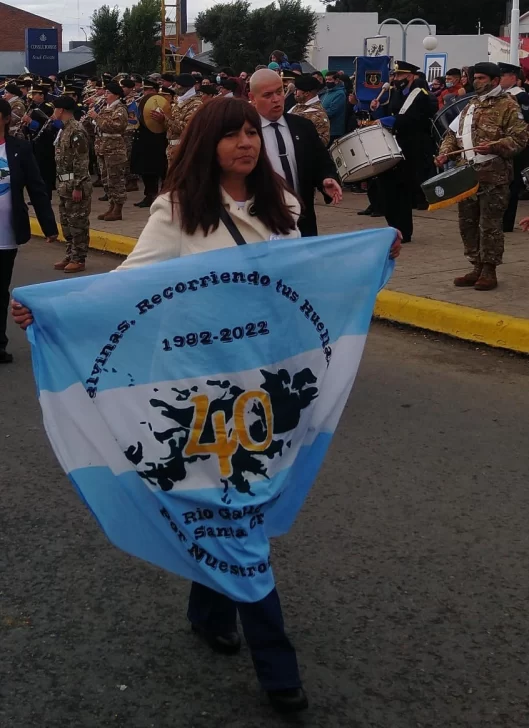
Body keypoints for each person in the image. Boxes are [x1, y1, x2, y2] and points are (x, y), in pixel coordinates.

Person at [436, 62, 528, 290]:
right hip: (466, 176)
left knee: (490, 225)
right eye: (474, 77)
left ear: (495, 81)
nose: (475, 81)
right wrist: (445, 152)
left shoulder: (508, 105)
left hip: (493, 177)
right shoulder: (471, 105)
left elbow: (520, 139)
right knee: (467, 223)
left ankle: (489, 270)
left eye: (481, 78)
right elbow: (452, 134)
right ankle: (475, 265)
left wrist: (495, 146)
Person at [248, 69, 342, 237]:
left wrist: (327, 179)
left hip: (302, 220)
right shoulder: (245, 132)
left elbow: (321, 161)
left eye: (279, 92)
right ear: (252, 98)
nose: (276, 99)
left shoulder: (303, 126)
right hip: (261, 223)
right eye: (268, 95)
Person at [0, 97, 57, 363]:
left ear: (5, 119)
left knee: (1, 290)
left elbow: (36, 187)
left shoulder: (19, 149)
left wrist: (48, 226)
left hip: (6, 234)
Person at [377, 60, 435, 241]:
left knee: (402, 190)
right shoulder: (396, 93)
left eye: (400, 75)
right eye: (395, 75)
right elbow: (391, 112)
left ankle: (403, 231)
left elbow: (414, 119)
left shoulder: (421, 94)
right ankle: (393, 227)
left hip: (412, 147)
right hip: (394, 144)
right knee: (388, 188)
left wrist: (388, 121)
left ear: (410, 76)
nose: (396, 78)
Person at [52, 95, 92, 273]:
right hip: (64, 183)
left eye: (55, 109)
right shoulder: (64, 129)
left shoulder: (76, 130)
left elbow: (81, 160)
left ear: (61, 110)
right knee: (67, 222)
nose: (53, 112)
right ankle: (70, 253)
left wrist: (77, 186)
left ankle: (79, 258)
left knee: (78, 223)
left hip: (75, 184)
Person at [90, 81, 128, 221]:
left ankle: (118, 208)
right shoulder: (106, 108)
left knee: (115, 178)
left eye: (108, 93)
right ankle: (111, 206)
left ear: (116, 95)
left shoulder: (120, 109)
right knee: (106, 179)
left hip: (114, 148)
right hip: (103, 147)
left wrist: (97, 117)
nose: (105, 95)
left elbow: (116, 126)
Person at [498, 62, 529, 233]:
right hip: (503, 146)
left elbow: (524, 121)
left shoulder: (522, 97)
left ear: (513, 78)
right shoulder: (502, 96)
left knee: (513, 183)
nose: (500, 79)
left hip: (518, 146)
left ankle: (507, 222)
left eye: (503, 75)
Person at [131, 79, 168, 208]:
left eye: (150, 89)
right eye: (145, 89)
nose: (146, 92)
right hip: (143, 139)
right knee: (145, 169)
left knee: (157, 169)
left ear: (155, 90)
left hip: (156, 140)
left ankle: (159, 195)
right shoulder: (141, 101)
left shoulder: (159, 102)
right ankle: (149, 194)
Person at [21, 84, 57, 199]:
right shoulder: (32, 107)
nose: (32, 96)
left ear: (42, 96)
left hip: (45, 143)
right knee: (36, 170)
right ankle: (38, 195)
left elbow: (48, 128)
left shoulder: (47, 108)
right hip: (34, 141)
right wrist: (26, 125)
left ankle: (46, 195)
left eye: (35, 94)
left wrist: (31, 122)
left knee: (44, 170)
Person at [162, 73, 202, 164]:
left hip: (184, 149)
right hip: (172, 147)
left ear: (184, 87)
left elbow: (186, 128)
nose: (174, 87)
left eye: (176, 85)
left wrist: (165, 119)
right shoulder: (178, 101)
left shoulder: (195, 104)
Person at [289, 74, 330, 146]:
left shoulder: (318, 115)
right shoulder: (298, 106)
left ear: (306, 93)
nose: (294, 93)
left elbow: (321, 143)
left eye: (297, 90)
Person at [120, 78, 140, 192]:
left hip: (130, 131)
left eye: (124, 87)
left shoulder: (133, 100)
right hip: (125, 131)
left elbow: (133, 119)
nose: (122, 89)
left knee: (129, 156)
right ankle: (128, 180)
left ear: (130, 88)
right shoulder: (125, 99)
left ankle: (132, 181)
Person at [321, 71, 347, 144]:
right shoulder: (326, 92)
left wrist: (319, 115)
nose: (327, 82)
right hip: (325, 129)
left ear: (336, 81)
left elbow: (332, 111)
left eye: (329, 80)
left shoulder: (340, 94)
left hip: (334, 131)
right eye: (326, 80)